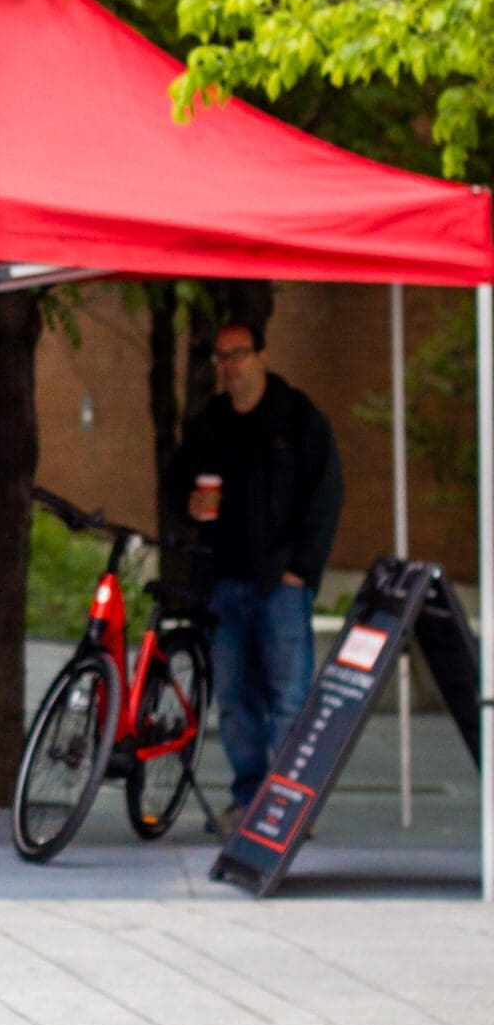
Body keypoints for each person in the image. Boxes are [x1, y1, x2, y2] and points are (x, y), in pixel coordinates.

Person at [174, 320, 343, 827]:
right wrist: (188, 504)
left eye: (238, 354)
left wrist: (302, 569)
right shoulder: (210, 425)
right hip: (224, 583)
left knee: (288, 699)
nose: (229, 365)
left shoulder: (298, 418)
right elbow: (178, 485)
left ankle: (290, 806)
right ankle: (249, 798)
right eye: (221, 357)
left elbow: (327, 496)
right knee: (233, 702)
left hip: (280, 585)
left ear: (262, 357)